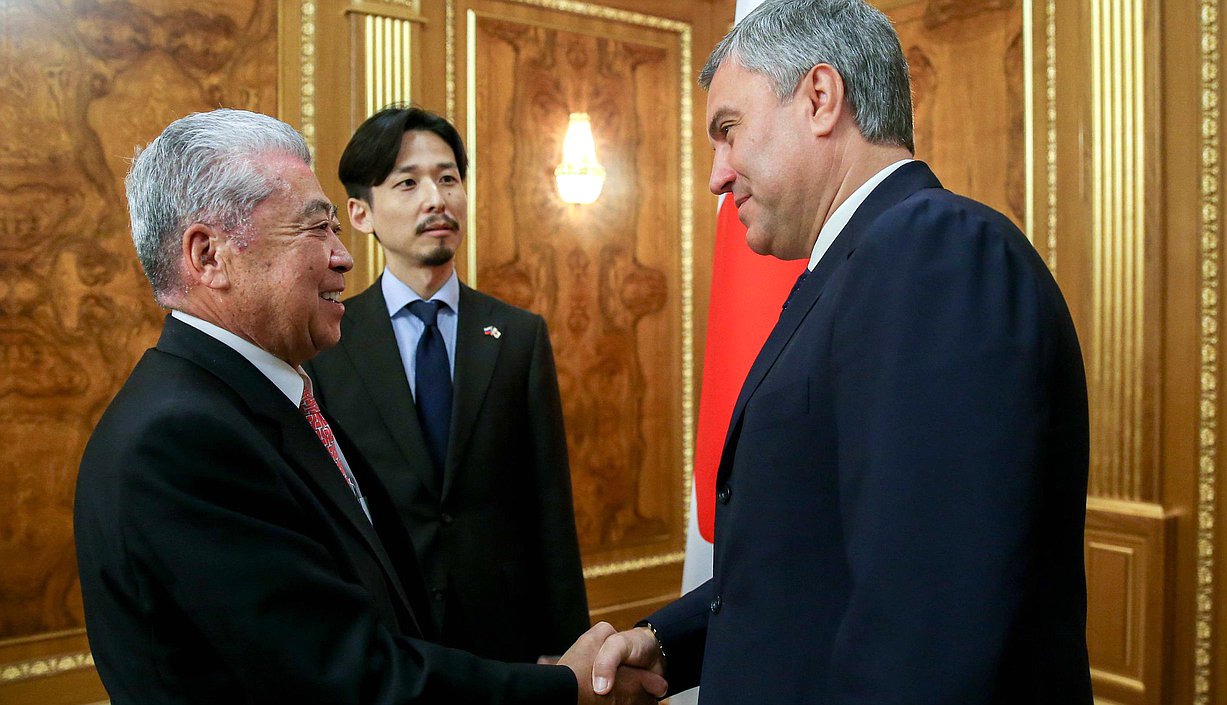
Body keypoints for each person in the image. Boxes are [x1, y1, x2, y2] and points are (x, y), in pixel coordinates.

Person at [589, 1, 1094, 703]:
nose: (717, 174)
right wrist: (667, 639)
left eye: (729, 130)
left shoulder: (932, 250)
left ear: (820, 98)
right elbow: (812, 563)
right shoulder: (855, 268)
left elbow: (924, 623)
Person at [73, 108, 663, 705]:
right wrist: (565, 690)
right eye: (316, 229)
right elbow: (346, 675)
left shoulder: (261, 400)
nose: (344, 256)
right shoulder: (181, 438)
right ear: (209, 256)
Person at [306, 106, 588, 663]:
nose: (436, 198)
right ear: (360, 213)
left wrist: (570, 650)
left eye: (448, 178)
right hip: (389, 633)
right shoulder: (328, 345)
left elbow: (549, 508)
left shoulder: (517, 336)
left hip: (505, 634)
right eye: (408, 182)